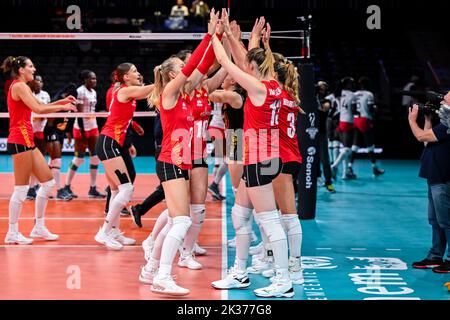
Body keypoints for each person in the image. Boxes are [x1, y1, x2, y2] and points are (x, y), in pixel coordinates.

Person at [210, 10, 293, 298]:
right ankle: (240, 273)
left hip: (258, 160)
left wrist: (215, 35)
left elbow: (224, 61)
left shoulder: (255, 87)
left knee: (269, 222)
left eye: (247, 64)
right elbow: (250, 58)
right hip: (267, 157)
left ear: (252, 69)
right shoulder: (275, 86)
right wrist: (243, 37)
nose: (244, 66)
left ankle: (284, 280)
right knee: (240, 214)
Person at [139, 9, 220, 296]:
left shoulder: (186, 93)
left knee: (177, 219)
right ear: (174, 73)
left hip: (182, 162)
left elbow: (203, 65)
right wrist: (209, 35)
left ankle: (150, 270)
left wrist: (219, 36)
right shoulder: (170, 93)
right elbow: (195, 64)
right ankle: (162, 275)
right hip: (171, 161)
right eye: (182, 68)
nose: (191, 71)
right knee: (183, 220)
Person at [1, 56, 76, 245]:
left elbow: (40, 107)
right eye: (31, 66)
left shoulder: (22, 86)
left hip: (27, 140)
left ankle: (39, 227)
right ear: (21, 70)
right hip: (19, 140)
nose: (34, 69)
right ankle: (12, 232)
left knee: (49, 183)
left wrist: (61, 102)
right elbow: (38, 109)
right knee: (21, 189)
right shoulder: (19, 86)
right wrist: (61, 106)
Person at [94, 63, 155, 251]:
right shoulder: (124, 90)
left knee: (115, 191)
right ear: (125, 77)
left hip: (116, 144)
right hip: (108, 143)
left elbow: (121, 115)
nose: (138, 73)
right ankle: (103, 232)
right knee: (126, 189)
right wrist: (165, 78)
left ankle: (113, 231)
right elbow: (146, 91)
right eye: (134, 71)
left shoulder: (126, 91)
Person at [409, 92, 450, 274]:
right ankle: (435, 255)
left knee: (446, 221)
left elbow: (420, 137)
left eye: (445, 98)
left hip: (442, 178)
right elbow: (428, 140)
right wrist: (427, 120)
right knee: (435, 220)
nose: (441, 100)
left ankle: (448, 259)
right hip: (434, 177)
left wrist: (412, 120)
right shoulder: (444, 123)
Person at [64, 70, 105, 199]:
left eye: (95, 78)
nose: (94, 81)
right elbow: (80, 114)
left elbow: (92, 110)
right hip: (81, 129)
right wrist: (82, 130)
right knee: (79, 159)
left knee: (95, 158)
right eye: (92, 79)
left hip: (93, 127)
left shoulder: (94, 92)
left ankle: (92, 188)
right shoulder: (80, 91)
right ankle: (66, 186)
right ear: (85, 79)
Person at [45, 83, 77, 201]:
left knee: (53, 160)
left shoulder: (72, 103)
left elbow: (69, 119)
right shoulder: (58, 101)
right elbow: (50, 120)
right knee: (57, 160)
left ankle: (43, 188)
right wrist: (49, 137)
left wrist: (68, 133)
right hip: (51, 130)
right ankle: (59, 190)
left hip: (61, 132)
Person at [349, 77, 385, 177]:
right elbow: (370, 109)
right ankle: (374, 168)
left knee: (355, 145)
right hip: (365, 120)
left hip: (356, 120)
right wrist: (374, 108)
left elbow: (352, 110)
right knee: (370, 145)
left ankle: (349, 167)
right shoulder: (369, 94)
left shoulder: (354, 94)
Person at [27, 75, 51, 200]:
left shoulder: (46, 95)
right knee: (31, 161)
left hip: (41, 130)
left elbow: (45, 112)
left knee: (40, 159)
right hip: (30, 131)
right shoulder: (28, 93)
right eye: (37, 80)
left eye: (41, 81)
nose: (39, 83)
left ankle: (35, 185)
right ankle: (30, 187)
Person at [330, 77, 357, 180]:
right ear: (347, 84)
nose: (352, 85)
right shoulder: (352, 95)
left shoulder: (338, 93)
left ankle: (345, 174)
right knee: (347, 148)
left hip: (340, 122)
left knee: (345, 149)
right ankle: (335, 165)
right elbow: (354, 111)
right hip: (348, 122)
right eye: (351, 83)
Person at [316, 81, 335, 192]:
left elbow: (323, 108)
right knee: (312, 158)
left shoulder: (327, 100)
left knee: (325, 159)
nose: (320, 88)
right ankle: (317, 178)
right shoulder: (310, 99)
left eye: (322, 87)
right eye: (319, 87)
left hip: (321, 133)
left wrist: (317, 98)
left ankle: (328, 183)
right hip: (309, 133)